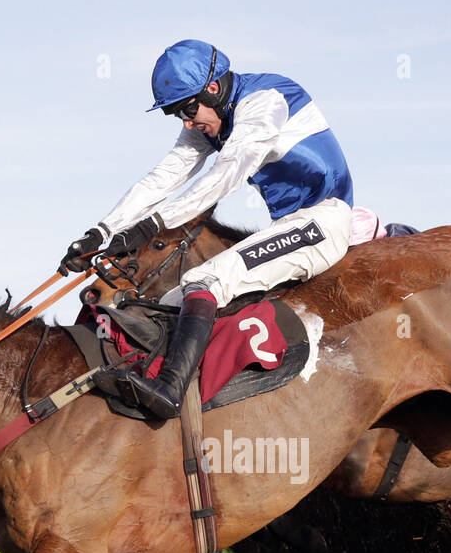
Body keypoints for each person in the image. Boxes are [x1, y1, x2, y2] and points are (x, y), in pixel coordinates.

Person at [60, 39, 354, 419]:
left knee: (206, 279)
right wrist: (101, 232)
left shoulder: (266, 100)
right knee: (172, 301)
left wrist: (152, 226)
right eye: (175, 114)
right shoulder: (210, 116)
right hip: (290, 225)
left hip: (323, 221)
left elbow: (226, 174)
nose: (185, 122)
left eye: (187, 109)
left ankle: (170, 391)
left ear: (212, 88)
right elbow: (163, 178)